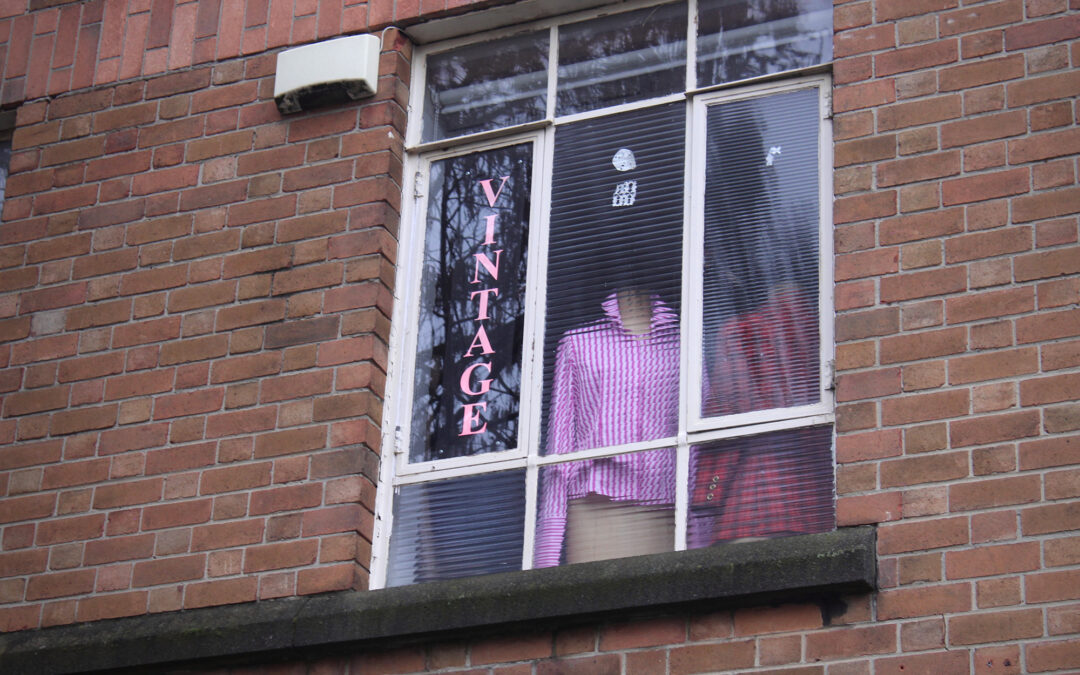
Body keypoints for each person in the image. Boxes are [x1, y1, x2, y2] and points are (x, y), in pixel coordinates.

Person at [533, 285, 679, 567]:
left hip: (666, 498)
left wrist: (699, 519)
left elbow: (698, 439)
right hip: (594, 502)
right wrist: (547, 552)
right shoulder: (578, 343)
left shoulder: (683, 343)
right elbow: (560, 443)